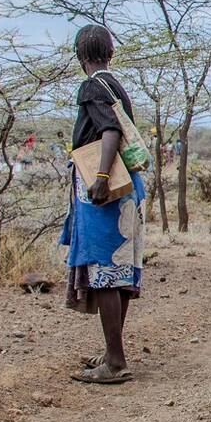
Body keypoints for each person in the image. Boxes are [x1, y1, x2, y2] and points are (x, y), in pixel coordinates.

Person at [59, 24, 147, 385]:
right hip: (127, 185)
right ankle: (113, 352)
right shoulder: (117, 86)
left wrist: (99, 177)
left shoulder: (92, 85)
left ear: (80, 56)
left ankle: (115, 361)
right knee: (118, 272)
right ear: (111, 52)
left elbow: (109, 130)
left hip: (107, 187)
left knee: (106, 273)